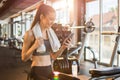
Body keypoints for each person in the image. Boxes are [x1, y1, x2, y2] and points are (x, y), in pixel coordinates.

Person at [21, 3, 72, 80]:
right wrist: (34, 46)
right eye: (50, 19)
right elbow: (24, 58)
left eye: (54, 19)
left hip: (49, 70)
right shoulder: (30, 34)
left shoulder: (50, 34)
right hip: (37, 71)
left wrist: (63, 47)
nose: (53, 22)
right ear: (42, 17)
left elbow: (53, 57)